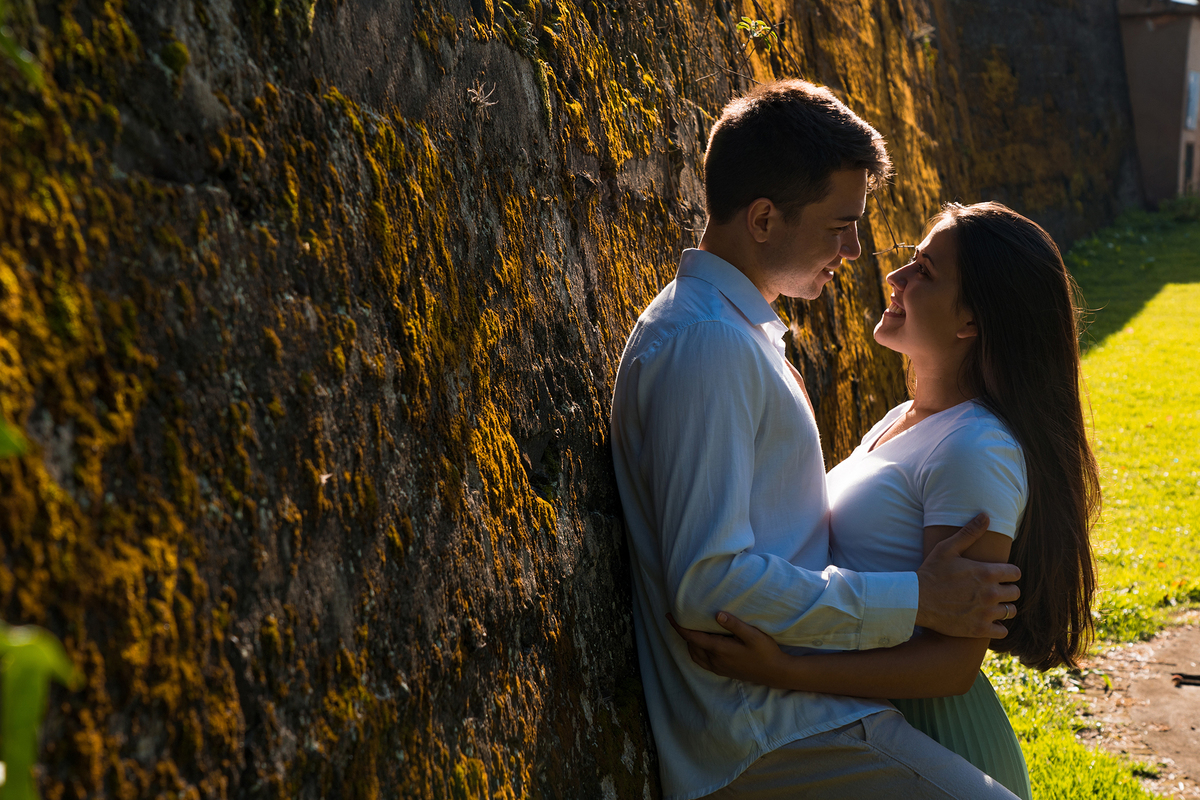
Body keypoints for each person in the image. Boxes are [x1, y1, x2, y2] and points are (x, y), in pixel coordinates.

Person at [610, 79, 1023, 800]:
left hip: (807, 715)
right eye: (840, 225)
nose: (857, 249)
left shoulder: (733, 333)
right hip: (771, 732)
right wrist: (918, 600)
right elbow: (710, 585)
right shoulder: (708, 344)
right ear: (764, 218)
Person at [672, 201, 1100, 800]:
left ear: (971, 320)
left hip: (933, 737)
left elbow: (951, 665)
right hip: (867, 726)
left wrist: (789, 670)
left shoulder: (977, 447)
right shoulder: (901, 420)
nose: (895, 279)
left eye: (924, 271)